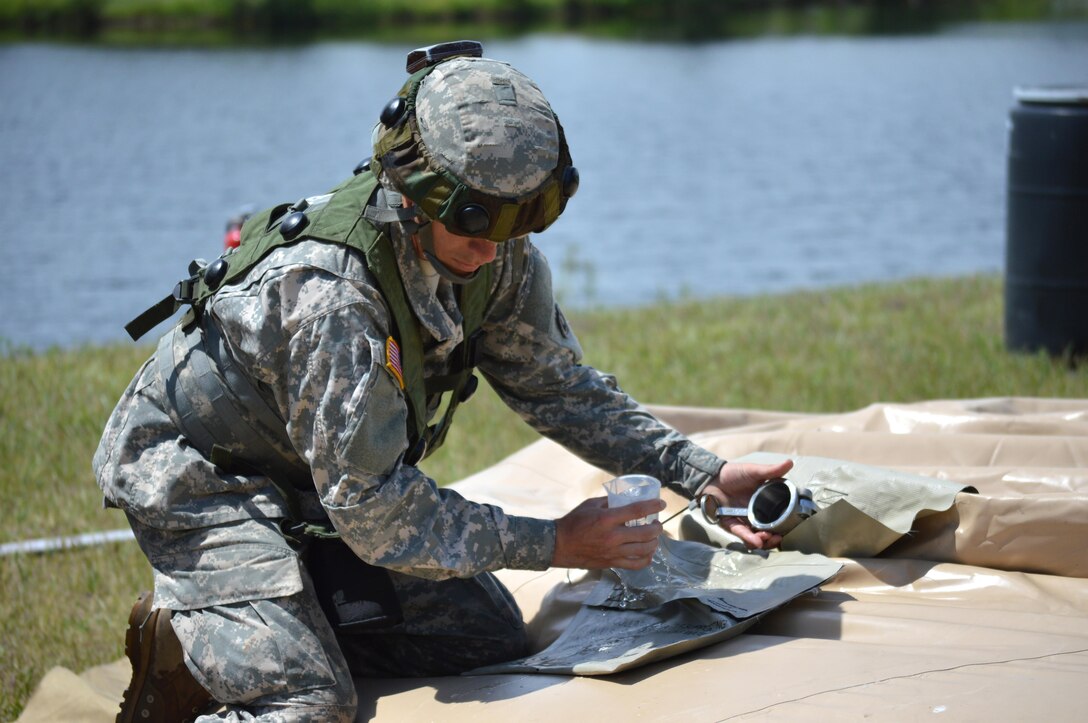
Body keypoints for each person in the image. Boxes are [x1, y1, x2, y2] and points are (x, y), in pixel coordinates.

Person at [94, 41, 793, 723]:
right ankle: (220, 635)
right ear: (414, 191)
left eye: (519, 218)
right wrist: (557, 542)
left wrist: (702, 472)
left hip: (312, 477)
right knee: (307, 706)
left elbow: (560, 389)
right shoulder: (332, 299)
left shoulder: (495, 256)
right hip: (202, 481)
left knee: (481, 639)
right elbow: (376, 513)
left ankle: (251, 629)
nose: (492, 247)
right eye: (473, 219)